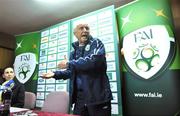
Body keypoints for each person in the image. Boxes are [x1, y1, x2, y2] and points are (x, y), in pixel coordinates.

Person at [41, 23, 112, 116]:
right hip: (80, 99)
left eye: (87, 28)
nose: (85, 30)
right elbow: (71, 72)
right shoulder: (73, 52)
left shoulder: (96, 43)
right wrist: (55, 74)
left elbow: (94, 61)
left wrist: (69, 63)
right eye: (81, 28)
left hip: (97, 97)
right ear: (75, 33)